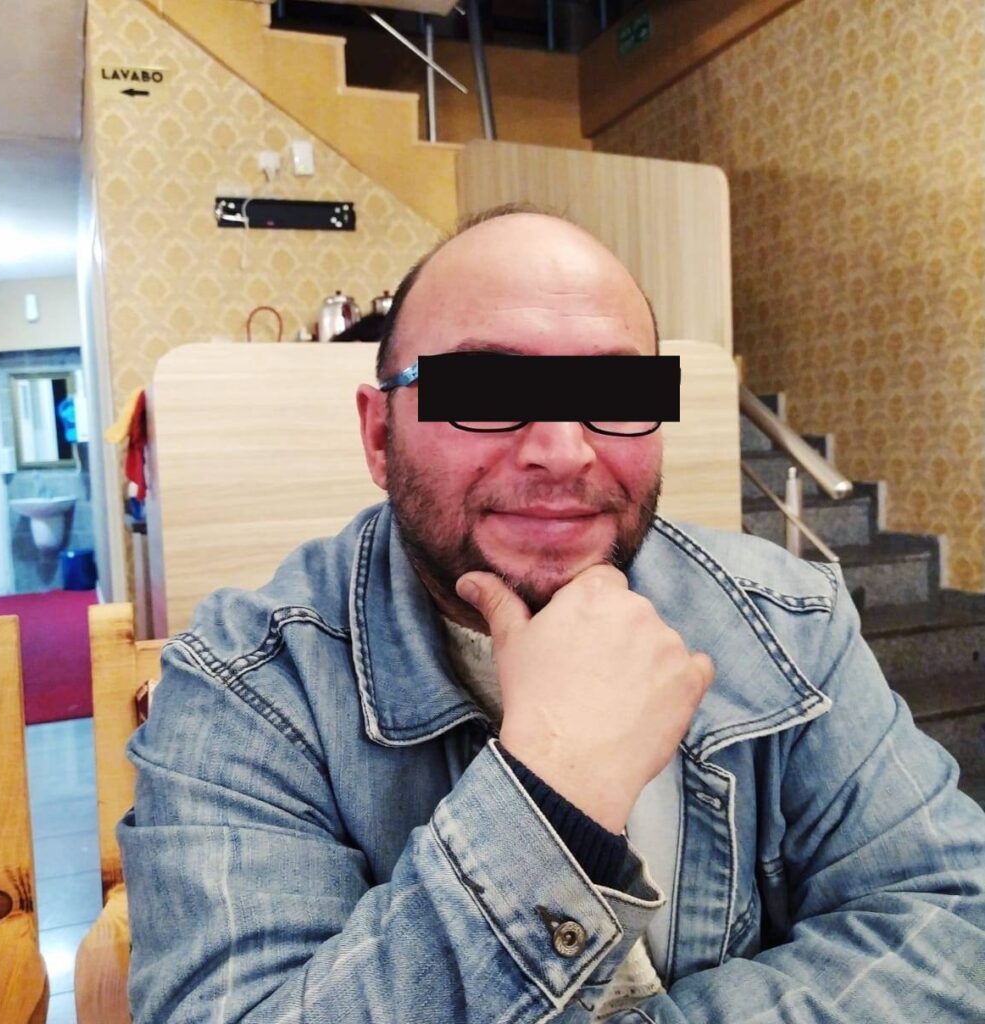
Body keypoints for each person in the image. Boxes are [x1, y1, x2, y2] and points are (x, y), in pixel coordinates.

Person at [120, 205, 985, 1023]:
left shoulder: (790, 620)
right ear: (379, 436)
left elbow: (952, 926)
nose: (563, 450)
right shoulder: (245, 684)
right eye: (484, 387)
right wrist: (555, 789)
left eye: (616, 390)